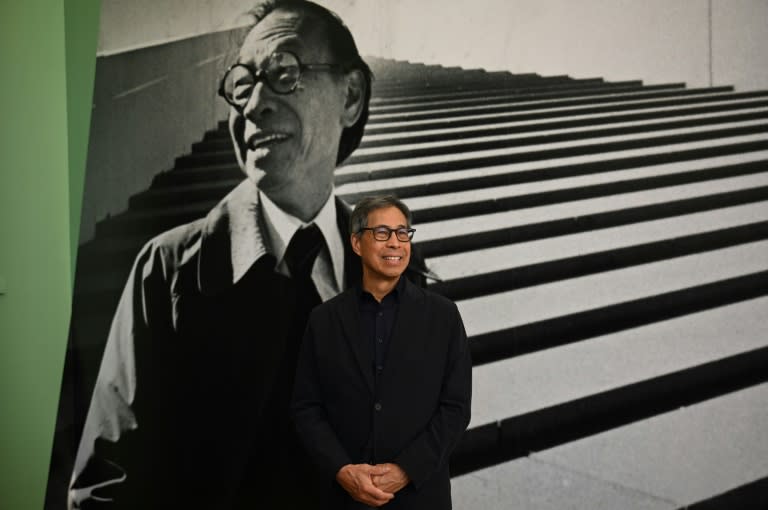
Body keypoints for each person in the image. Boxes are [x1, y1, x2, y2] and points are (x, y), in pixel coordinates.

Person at [67, 2, 429, 508]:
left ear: (350, 96)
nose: (254, 103)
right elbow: (106, 488)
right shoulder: (169, 272)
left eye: (284, 72)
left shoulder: (401, 277)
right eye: (241, 85)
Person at [292, 195, 472, 509]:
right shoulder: (323, 320)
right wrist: (342, 470)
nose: (395, 243)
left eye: (403, 233)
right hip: (342, 498)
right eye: (382, 233)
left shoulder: (443, 316)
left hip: (420, 496)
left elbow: (455, 407)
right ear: (357, 243)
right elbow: (306, 407)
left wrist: (407, 470)